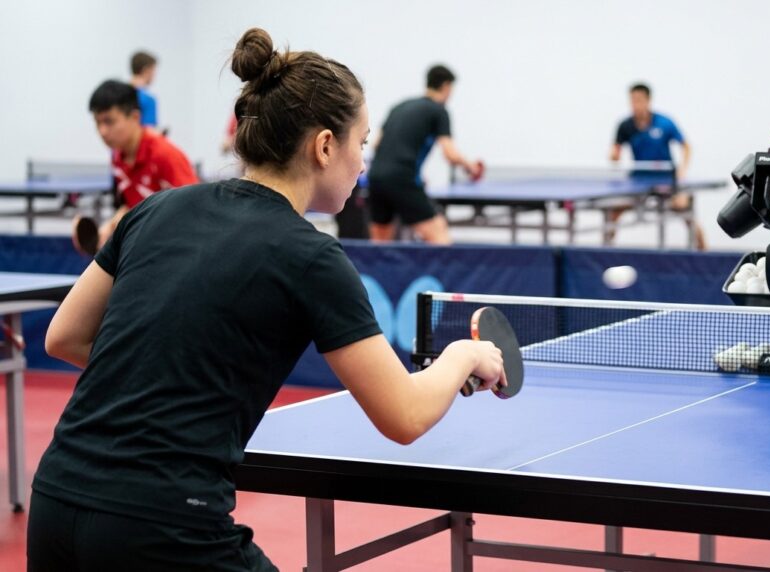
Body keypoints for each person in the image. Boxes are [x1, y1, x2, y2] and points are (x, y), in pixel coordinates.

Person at [28, 28, 506, 571]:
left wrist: (175, 378)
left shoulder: (154, 210)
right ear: (325, 146)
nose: (363, 165)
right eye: (362, 143)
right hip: (163, 525)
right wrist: (464, 356)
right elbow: (405, 414)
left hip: (56, 501)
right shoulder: (313, 257)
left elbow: (63, 337)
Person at [71, 80, 198, 256]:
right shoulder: (117, 157)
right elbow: (133, 203)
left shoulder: (165, 155)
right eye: (97, 123)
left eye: (109, 121)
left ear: (135, 117)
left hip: (176, 251)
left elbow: (195, 209)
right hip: (145, 248)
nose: (102, 131)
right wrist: (111, 224)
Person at [367, 64, 482, 245]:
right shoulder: (439, 110)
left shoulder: (399, 107)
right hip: (402, 178)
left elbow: (376, 144)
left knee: (380, 243)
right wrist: (471, 167)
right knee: (439, 234)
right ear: (446, 86)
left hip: (376, 176)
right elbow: (450, 155)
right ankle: (443, 275)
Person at [609, 83, 705, 250]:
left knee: (685, 211)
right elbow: (615, 152)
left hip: (666, 179)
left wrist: (682, 170)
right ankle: (605, 250)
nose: (635, 104)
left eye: (639, 100)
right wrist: (614, 156)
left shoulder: (664, 123)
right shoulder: (625, 126)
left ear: (648, 101)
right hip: (638, 181)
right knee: (614, 211)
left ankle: (705, 251)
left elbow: (686, 146)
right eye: (632, 100)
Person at [130, 51, 159, 127]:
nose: (154, 75)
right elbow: (149, 130)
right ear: (146, 70)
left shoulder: (118, 96)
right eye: (153, 70)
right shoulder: (148, 100)